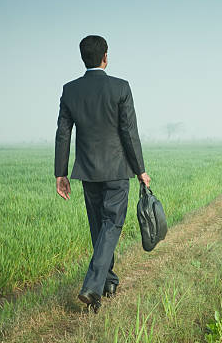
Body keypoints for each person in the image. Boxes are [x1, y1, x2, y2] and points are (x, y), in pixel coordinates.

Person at [54, 35, 150, 313]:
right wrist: (140, 170)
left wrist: (61, 173)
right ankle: (93, 286)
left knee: (99, 227)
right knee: (111, 225)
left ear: (83, 58)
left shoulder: (70, 90)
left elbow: (63, 133)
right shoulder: (120, 87)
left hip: (88, 171)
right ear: (105, 56)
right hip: (118, 170)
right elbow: (129, 133)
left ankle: (108, 281)